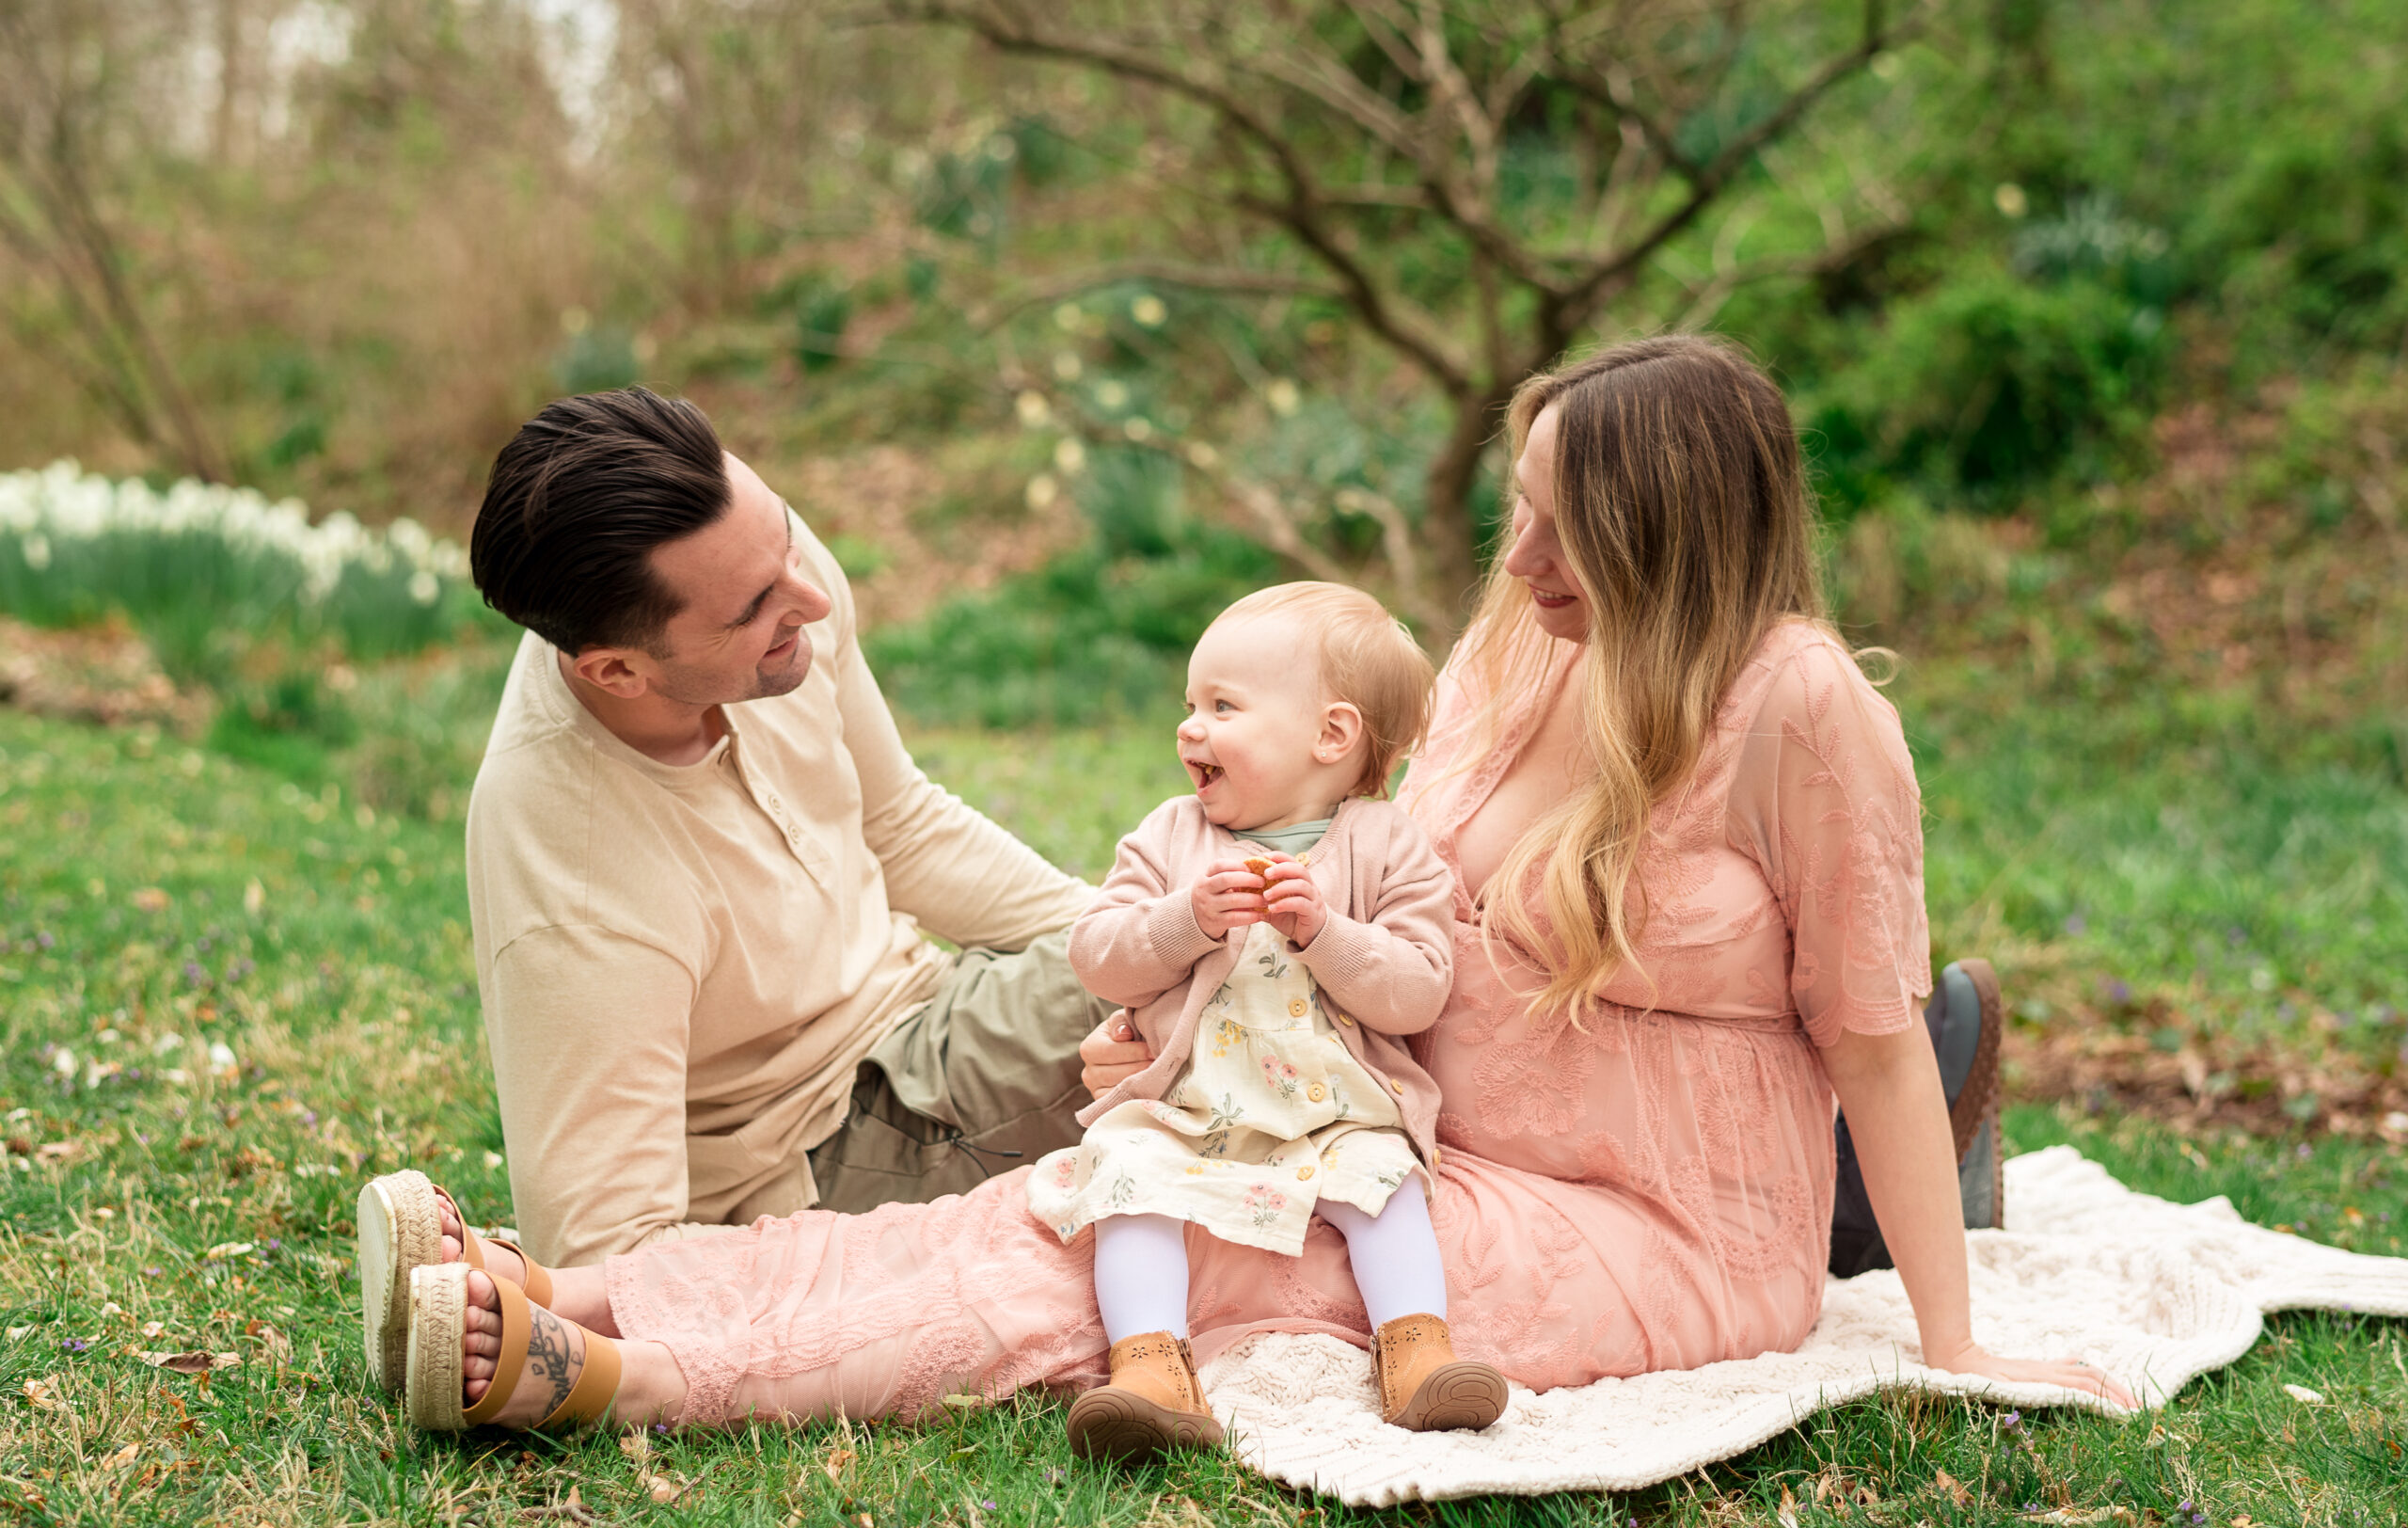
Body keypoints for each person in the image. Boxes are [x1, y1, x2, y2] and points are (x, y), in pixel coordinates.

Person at [371, 336, 2131, 1435]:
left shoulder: (1804, 710)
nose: (1512, 561)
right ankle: (578, 1286)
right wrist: (1194, 1005)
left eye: (1555, 526)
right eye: (1514, 512)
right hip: (1407, 1119)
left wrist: (1952, 1345)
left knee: (1160, 1264)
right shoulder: (1531, 642)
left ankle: (614, 1366)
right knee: (1096, 1191)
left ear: (1673, 536)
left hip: (1634, 1216)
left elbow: (1869, 1038)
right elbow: (1352, 866)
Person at [355, 389, 1108, 1403]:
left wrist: (1117, 936)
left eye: (787, 545)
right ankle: (530, 1307)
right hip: (826, 1148)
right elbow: (610, 1233)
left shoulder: (756, 564)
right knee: (1240, 988)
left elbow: (901, 826)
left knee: (1205, 941)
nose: (813, 600)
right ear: (616, 669)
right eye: (754, 610)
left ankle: (491, 1279)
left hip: (929, 1014)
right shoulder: (574, 860)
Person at [1030, 582, 1509, 1461]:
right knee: (1126, 1173)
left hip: (1338, 1110)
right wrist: (1187, 920)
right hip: (1189, 1110)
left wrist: (1327, 932)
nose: (1189, 728)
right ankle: (1148, 1368)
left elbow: (1418, 990)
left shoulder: (1387, 846)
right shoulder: (1171, 838)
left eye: (1223, 706)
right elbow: (1097, 952)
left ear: (1331, 734)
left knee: (1385, 1181)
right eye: (1189, 703)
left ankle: (1418, 1350)